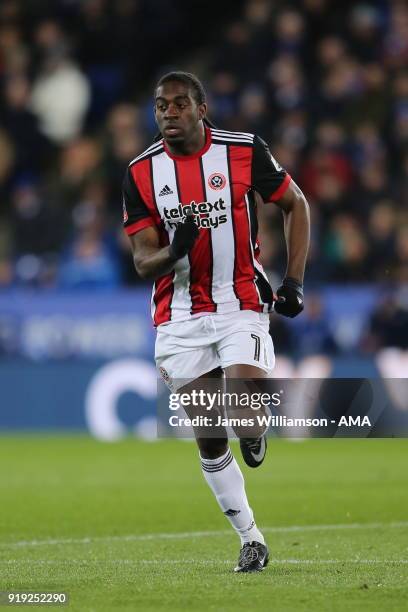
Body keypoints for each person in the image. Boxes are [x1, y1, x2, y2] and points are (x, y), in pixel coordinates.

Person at [122, 72, 310, 572]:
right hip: (179, 315)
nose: (169, 113)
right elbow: (143, 262)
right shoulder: (141, 173)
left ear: (202, 108)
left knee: (246, 411)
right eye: (161, 106)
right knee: (208, 434)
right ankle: (251, 538)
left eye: (180, 104)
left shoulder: (244, 150)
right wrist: (174, 251)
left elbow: (296, 204)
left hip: (239, 301)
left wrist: (294, 280)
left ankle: (254, 432)